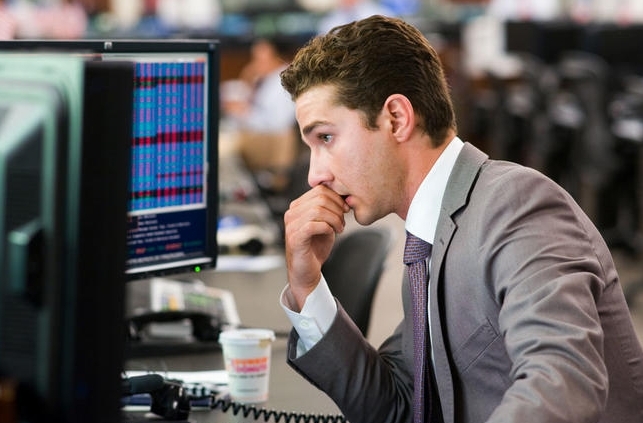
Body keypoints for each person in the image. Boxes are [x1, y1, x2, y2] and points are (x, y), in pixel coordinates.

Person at [278, 15, 643, 423]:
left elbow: (562, 383)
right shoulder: (428, 238)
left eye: (325, 137)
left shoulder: (516, 205)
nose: (315, 175)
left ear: (396, 118)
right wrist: (307, 287)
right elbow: (398, 407)